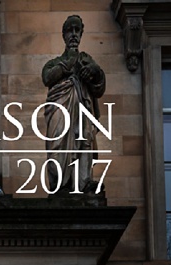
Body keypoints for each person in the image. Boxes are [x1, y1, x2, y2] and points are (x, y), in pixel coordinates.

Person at [41, 15, 106, 193]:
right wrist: (69, 64)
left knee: (84, 140)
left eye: (77, 30)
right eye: (70, 30)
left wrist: (93, 71)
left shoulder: (87, 60)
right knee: (57, 141)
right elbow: (47, 77)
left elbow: (99, 88)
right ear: (64, 35)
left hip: (83, 109)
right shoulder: (54, 63)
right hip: (60, 107)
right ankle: (60, 183)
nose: (74, 34)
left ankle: (83, 182)